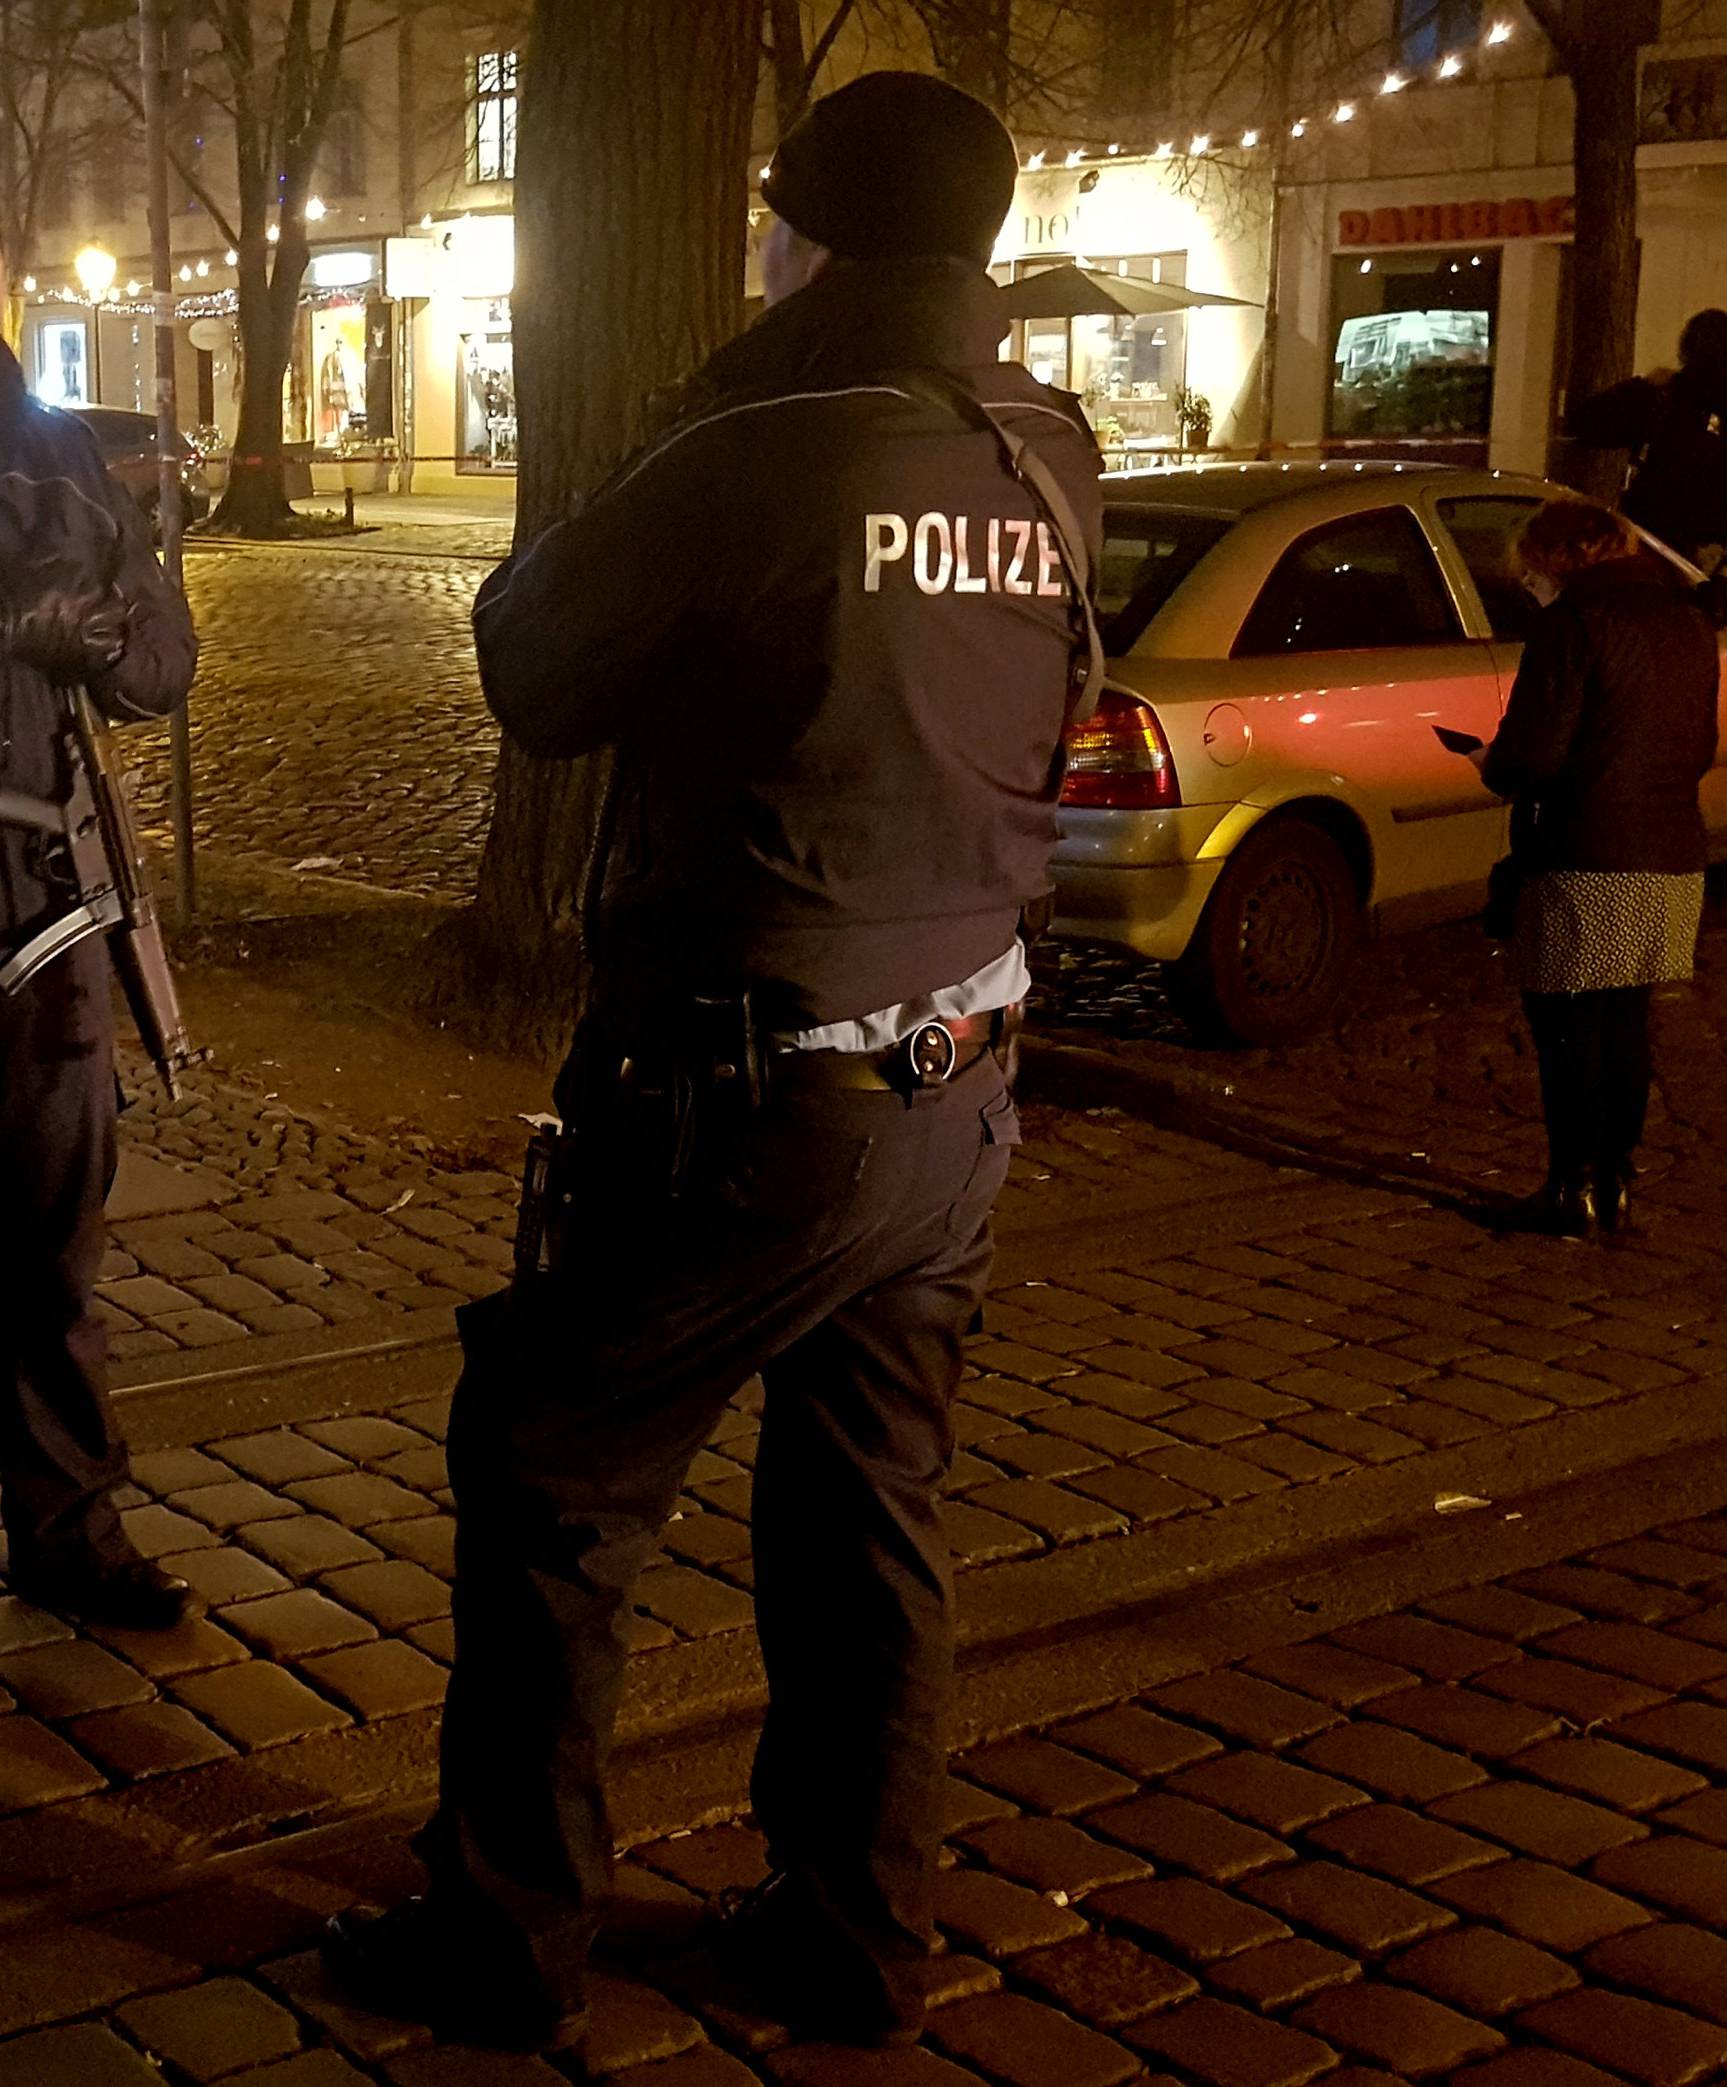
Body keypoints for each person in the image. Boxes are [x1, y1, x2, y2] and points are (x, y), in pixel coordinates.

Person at [321, 72, 1102, 2055]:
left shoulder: (766, 451)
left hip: (751, 1090)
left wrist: (671, 439)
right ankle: (855, 1928)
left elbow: (532, 663)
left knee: (553, 1467)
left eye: (775, 225)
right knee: (867, 1525)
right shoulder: (1045, 449)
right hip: (958, 1075)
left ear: (814, 245)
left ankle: (504, 1931)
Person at [0, 257, 201, 1626]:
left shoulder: (61, 453)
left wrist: (119, 636)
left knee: (51, 1238)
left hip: (37, 909)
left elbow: (167, 665)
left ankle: (69, 1521)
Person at [1473, 501, 1721, 1239]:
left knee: (1568, 1025)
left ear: (1556, 562)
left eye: (1531, 574)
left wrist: (1495, 763)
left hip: (1588, 850)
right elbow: (1698, 740)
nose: (1530, 586)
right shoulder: (1688, 621)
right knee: (1625, 1020)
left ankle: (1570, 1185)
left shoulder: (1573, 625)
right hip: (1672, 849)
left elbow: (1536, 753)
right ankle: (1615, 1179)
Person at [1567, 308, 1727, 566]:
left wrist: (1640, 386)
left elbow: (1587, 423)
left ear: (1685, 347)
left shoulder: (1662, 396)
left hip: (1651, 530)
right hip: (1714, 537)